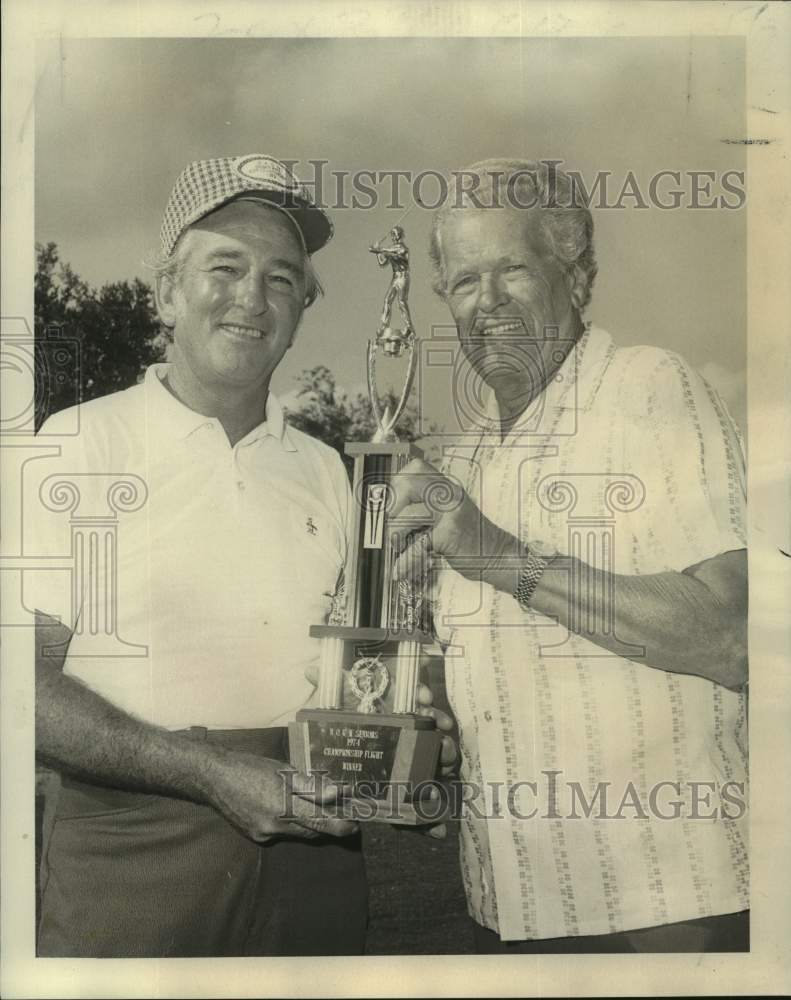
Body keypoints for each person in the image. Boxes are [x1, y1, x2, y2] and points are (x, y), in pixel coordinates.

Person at [31, 154, 449, 958]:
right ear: (166, 293)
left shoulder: (330, 472)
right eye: (225, 267)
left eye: (283, 280)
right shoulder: (75, 444)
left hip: (316, 860)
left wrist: (408, 730)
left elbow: (352, 675)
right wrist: (209, 773)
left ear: (300, 311)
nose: (253, 299)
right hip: (135, 858)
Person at [389, 159, 749, 953]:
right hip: (505, 914)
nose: (487, 304)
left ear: (577, 275)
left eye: (513, 268)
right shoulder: (467, 456)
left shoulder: (648, 388)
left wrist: (495, 554)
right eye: (462, 281)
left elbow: (735, 636)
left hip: (663, 910)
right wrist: (431, 727)